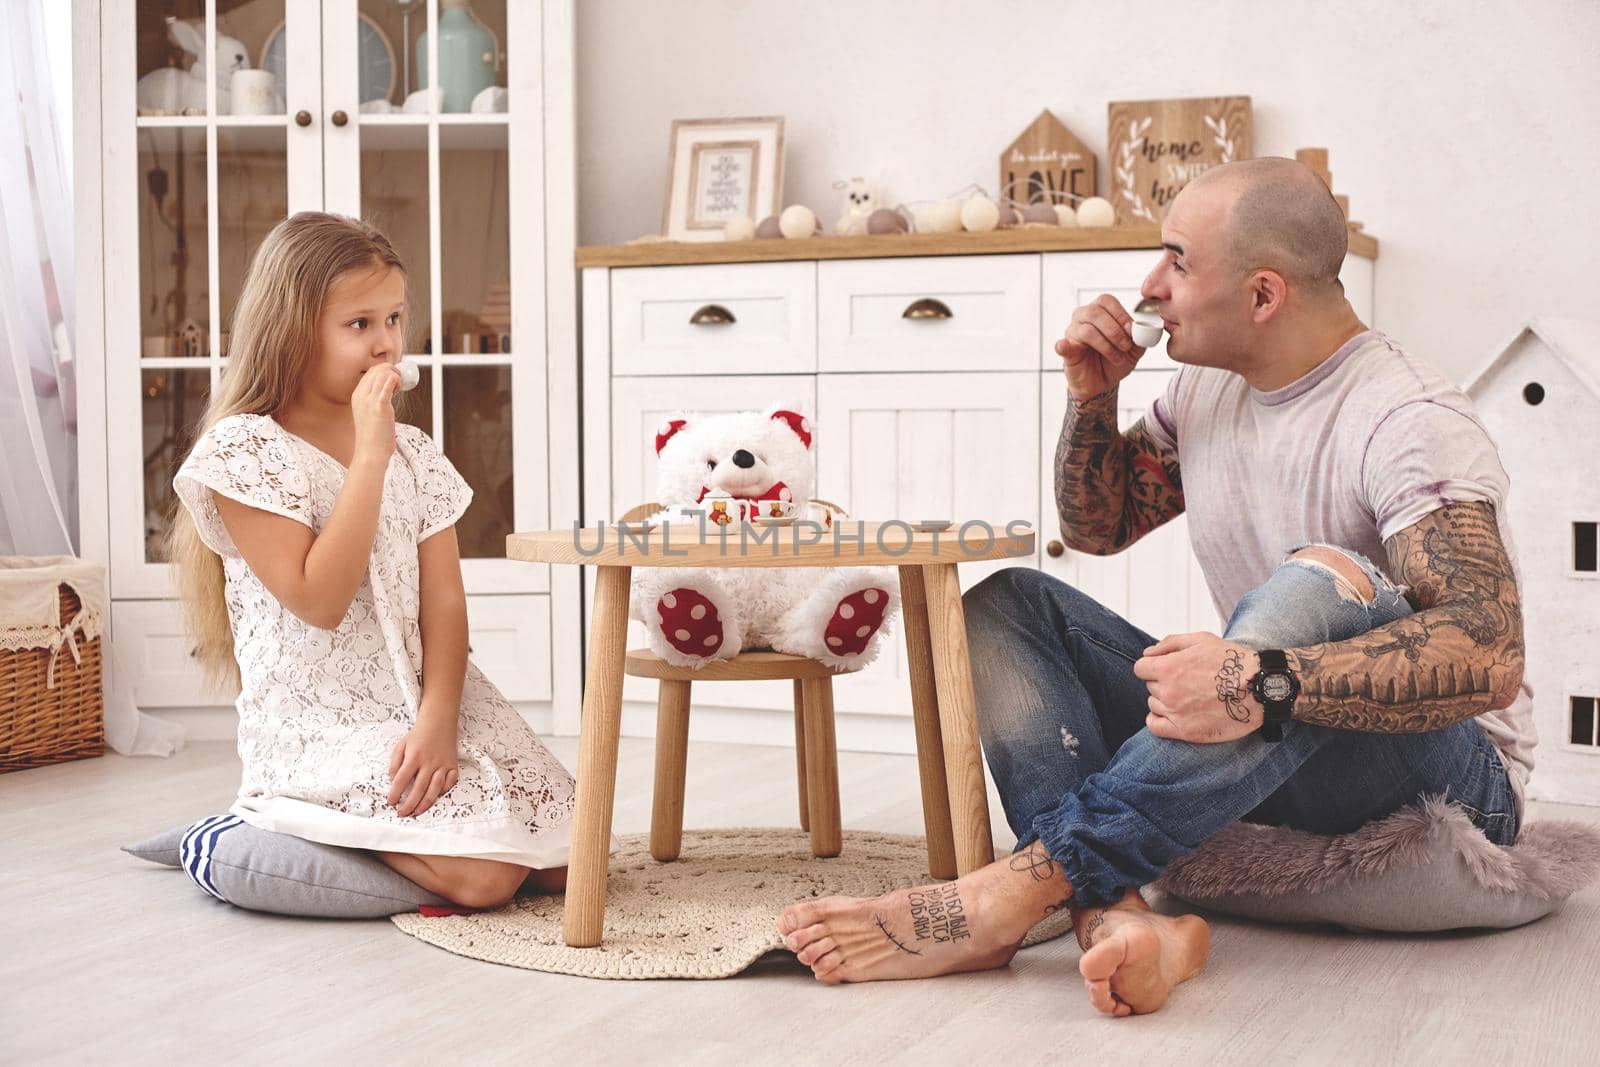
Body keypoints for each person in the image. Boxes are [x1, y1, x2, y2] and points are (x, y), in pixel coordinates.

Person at [777, 158, 1532, 1015]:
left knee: (1326, 575)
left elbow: (1488, 650)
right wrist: (1091, 400)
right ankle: (1120, 918)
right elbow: (1101, 530)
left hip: (1443, 782)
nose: (1148, 284)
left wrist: (1259, 681)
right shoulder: (1207, 386)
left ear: (1262, 295)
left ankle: (1020, 889)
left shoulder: (1407, 418)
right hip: (1263, 744)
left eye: (1176, 260)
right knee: (1006, 606)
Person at [171, 212, 574, 909]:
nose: (386, 342)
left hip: (425, 702)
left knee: (571, 857)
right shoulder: (246, 452)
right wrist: (369, 454)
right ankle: (275, 819)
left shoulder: (415, 452)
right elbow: (318, 600)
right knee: (486, 878)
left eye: (392, 317)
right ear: (294, 331)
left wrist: (439, 719)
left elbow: (444, 601)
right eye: (359, 324)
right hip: (319, 722)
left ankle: (363, 825)